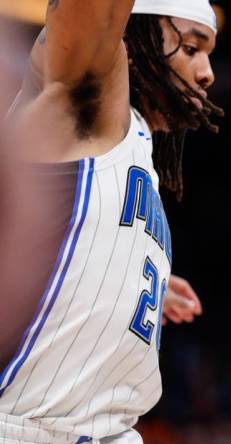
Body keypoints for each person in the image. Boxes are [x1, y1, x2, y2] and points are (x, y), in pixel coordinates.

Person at [0, 0, 217, 442]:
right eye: (192, 47)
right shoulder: (83, 100)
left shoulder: (135, 154)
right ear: (131, 39)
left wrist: (133, 278)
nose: (208, 72)